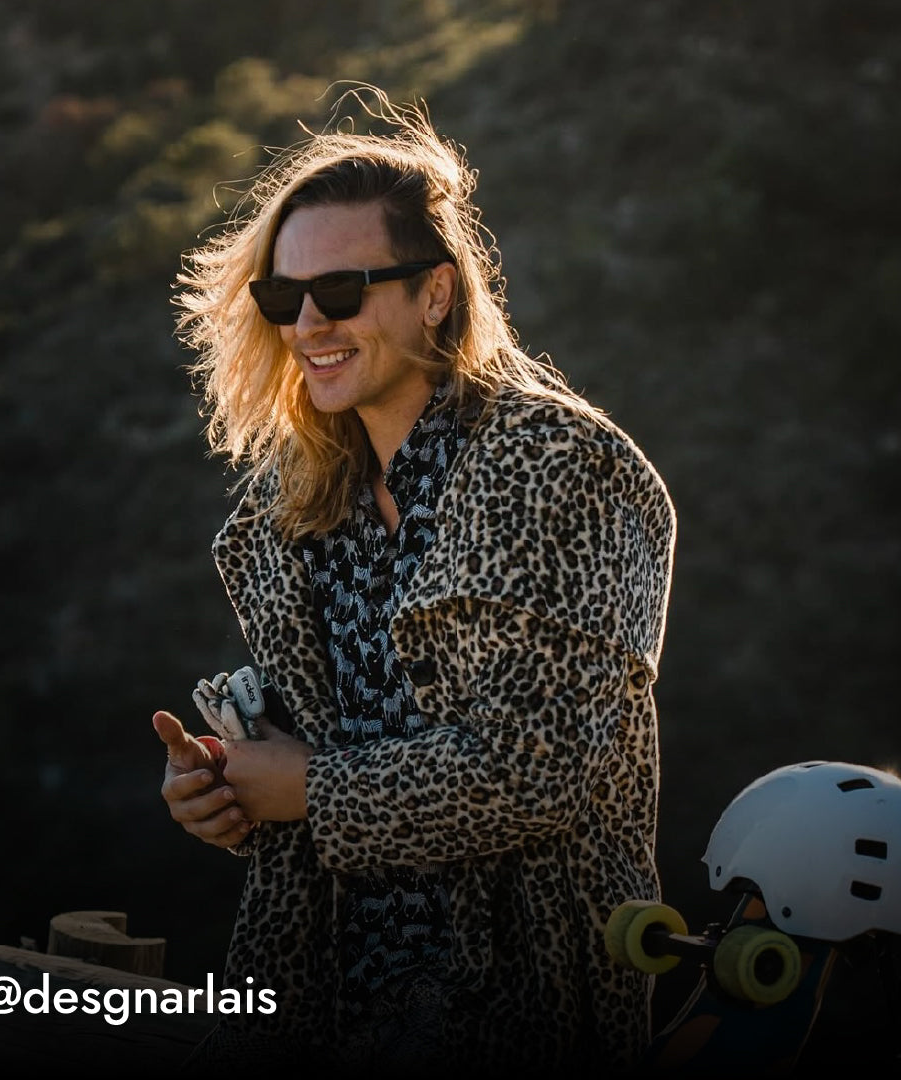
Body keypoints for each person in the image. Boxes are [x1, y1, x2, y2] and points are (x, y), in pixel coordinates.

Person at [152, 87, 676, 1076]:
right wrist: (227, 792)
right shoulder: (301, 501)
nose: (309, 323)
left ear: (436, 293)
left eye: (341, 291)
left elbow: (536, 767)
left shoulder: (560, 466)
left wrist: (309, 791)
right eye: (284, 298)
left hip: (522, 1007)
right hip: (317, 999)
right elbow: (327, 737)